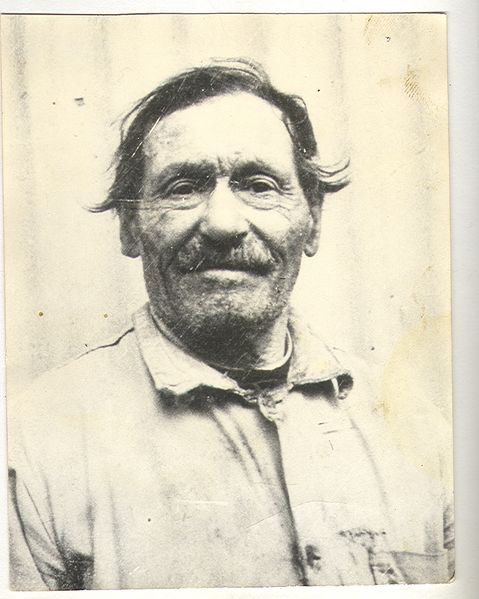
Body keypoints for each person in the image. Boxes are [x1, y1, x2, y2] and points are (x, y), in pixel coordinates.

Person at [8, 60, 454, 590]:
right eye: (182, 187)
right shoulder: (30, 446)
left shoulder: (412, 427)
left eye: (259, 185)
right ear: (129, 226)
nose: (223, 223)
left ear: (313, 220)